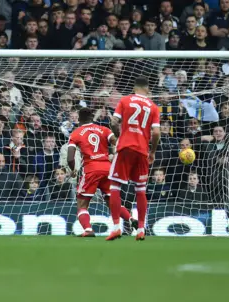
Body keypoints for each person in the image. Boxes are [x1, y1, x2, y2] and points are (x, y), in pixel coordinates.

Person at [67, 108, 136, 238]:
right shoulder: (104, 130)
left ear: (79, 119)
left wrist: (73, 170)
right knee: (113, 203)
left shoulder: (75, 133)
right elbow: (118, 143)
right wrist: (115, 155)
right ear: (92, 117)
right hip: (107, 169)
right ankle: (132, 219)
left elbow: (70, 158)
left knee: (82, 204)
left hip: (91, 170)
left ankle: (88, 230)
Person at [107, 76, 161, 241]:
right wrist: (152, 152)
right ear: (147, 88)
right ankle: (141, 229)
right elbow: (157, 132)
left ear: (134, 87)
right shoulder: (153, 107)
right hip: (142, 151)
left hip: (125, 148)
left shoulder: (125, 100)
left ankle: (116, 227)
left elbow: (114, 122)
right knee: (140, 190)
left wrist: (119, 135)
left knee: (115, 187)